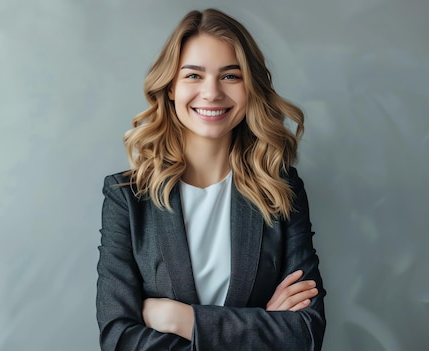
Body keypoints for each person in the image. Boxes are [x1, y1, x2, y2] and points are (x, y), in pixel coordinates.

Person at [96, 8, 326, 351]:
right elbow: (119, 338)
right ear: (170, 87)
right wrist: (259, 326)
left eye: (230, 76)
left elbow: (304, 334)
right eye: (193, 76)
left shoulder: (281, 189)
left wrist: (183, 320)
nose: (212, 92)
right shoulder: (127, 199)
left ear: (250, 87)